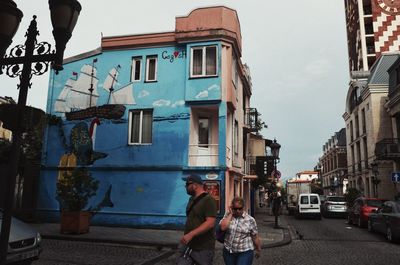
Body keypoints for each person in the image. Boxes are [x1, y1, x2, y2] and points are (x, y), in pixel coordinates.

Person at [177, 175, 217, 265]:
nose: (185, 187)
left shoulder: (209, 200)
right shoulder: (191, 199)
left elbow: (210, 223)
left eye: (187, 184)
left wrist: (191, 234)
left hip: (203, 248)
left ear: (194, 185)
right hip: (188, 245)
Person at [219, 197, 261, 265]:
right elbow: (223, 227)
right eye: (235, 208)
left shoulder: (250, 220)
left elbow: (255, 236)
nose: (238, 211)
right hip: (229, 251)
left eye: (240, 208)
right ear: (232, 207)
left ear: (243, 207)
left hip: (245, 251)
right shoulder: (228, 215)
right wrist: (230, 214)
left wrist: (258, 249)